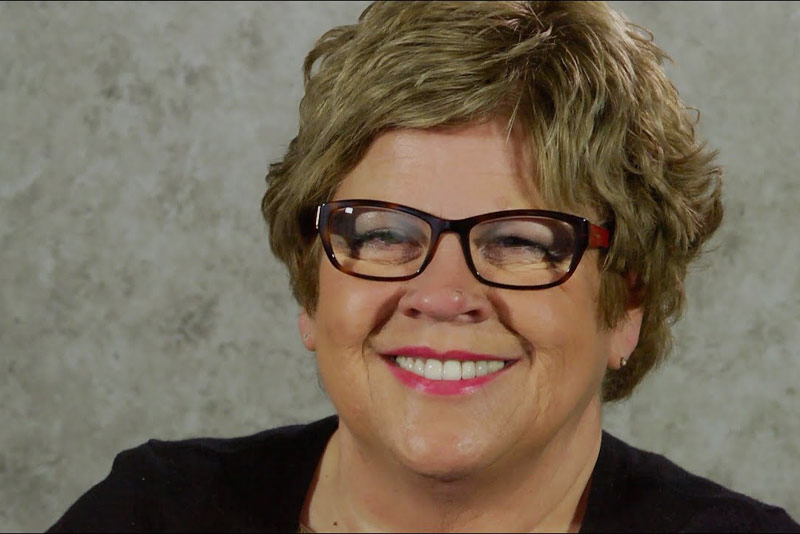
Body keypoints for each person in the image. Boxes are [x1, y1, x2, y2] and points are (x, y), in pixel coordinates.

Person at [49, 2, 799, 532]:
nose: (443, 295)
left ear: (627, 301)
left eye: (522, 240)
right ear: (314, 286)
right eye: (381, 234)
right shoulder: (150, 514)